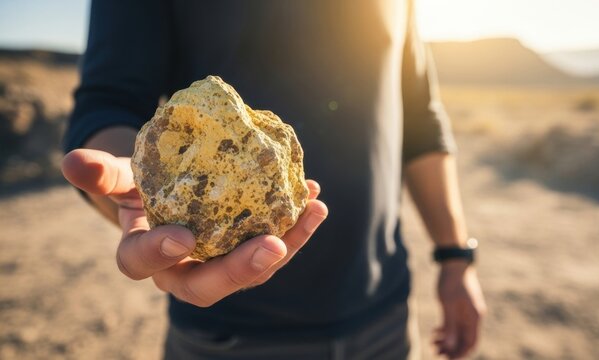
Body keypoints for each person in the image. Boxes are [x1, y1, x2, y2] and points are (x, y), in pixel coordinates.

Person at [61, 0, 486, 359]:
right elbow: (109, 100)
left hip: (385, 318)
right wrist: (134, 190)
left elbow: (419, 117)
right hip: (229, 336)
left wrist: (454, 256)